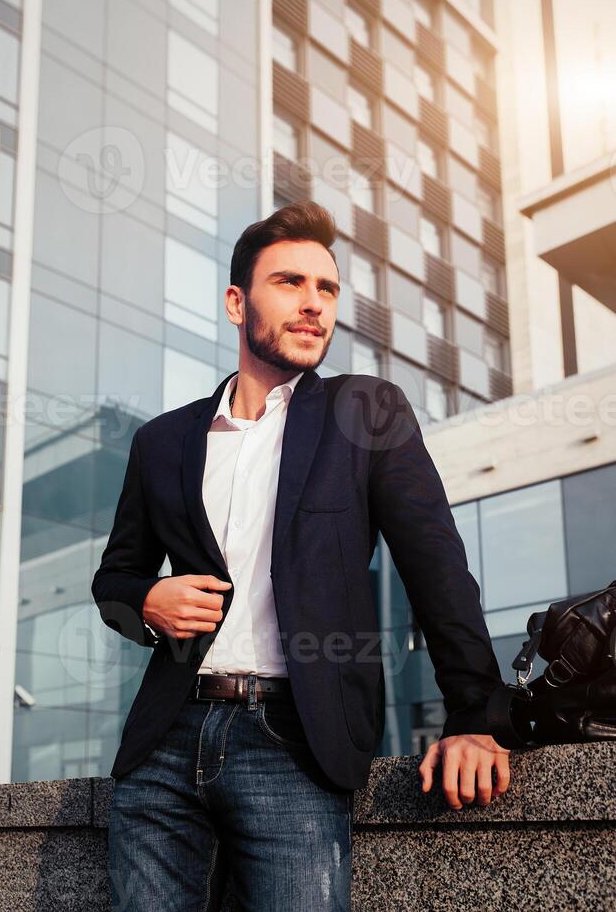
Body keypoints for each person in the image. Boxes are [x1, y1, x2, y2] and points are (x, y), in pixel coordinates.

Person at [93, 200, 511, 911]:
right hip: (166, 739)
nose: (315, 305)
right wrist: (145, 604)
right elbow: (115, 578)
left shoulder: (367, 412)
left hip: (294, 741)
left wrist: (476, 719)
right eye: (290, 283)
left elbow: (436, 566)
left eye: (326, 290)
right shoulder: (161, 442)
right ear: (236, 302)